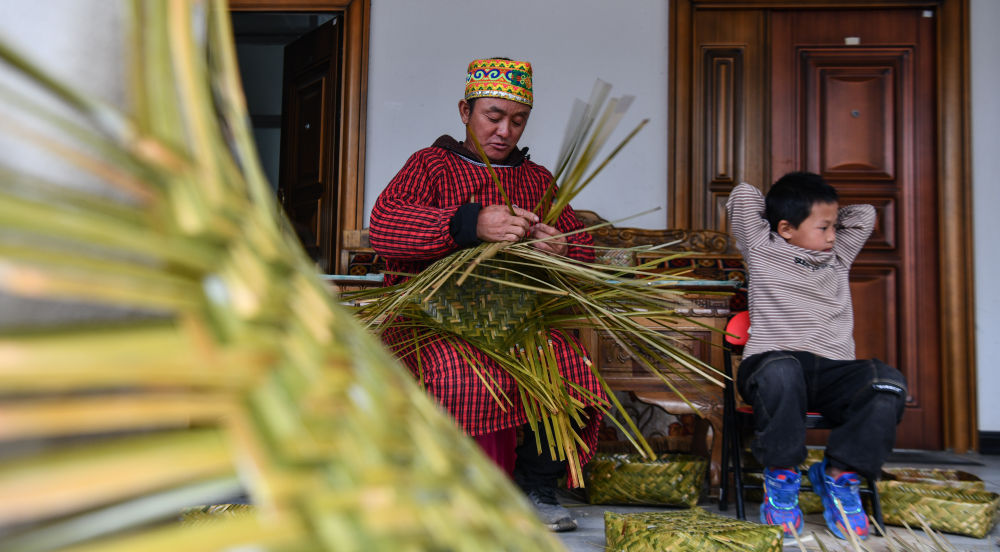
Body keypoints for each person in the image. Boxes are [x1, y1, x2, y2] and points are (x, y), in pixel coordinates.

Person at [368, 57, 602, 532]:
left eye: (517, 120)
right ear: (464, 110)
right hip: (431, 321)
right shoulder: (430, 164)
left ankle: (534, 488)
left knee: (569, 366)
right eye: (492, 116)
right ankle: (455, 490)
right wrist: (470, 223)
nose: (504, 131)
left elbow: (584, 248)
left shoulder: (536, 179)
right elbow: (385, 226)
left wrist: (560, 244)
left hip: (513, 322)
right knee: (463, 373)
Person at [725, 173, 907, 540]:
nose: (832, 235)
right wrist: (788, 206)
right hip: (772, 365)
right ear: (786, 228)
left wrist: (824, 212)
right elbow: (743, 195)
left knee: (887, 382)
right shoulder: (763, 247)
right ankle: (781, 478)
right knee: (783, 371)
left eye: (833, 227)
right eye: (824, 227)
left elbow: (865, 215)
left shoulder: (837, 257)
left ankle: (840, 475)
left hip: (832, 372)